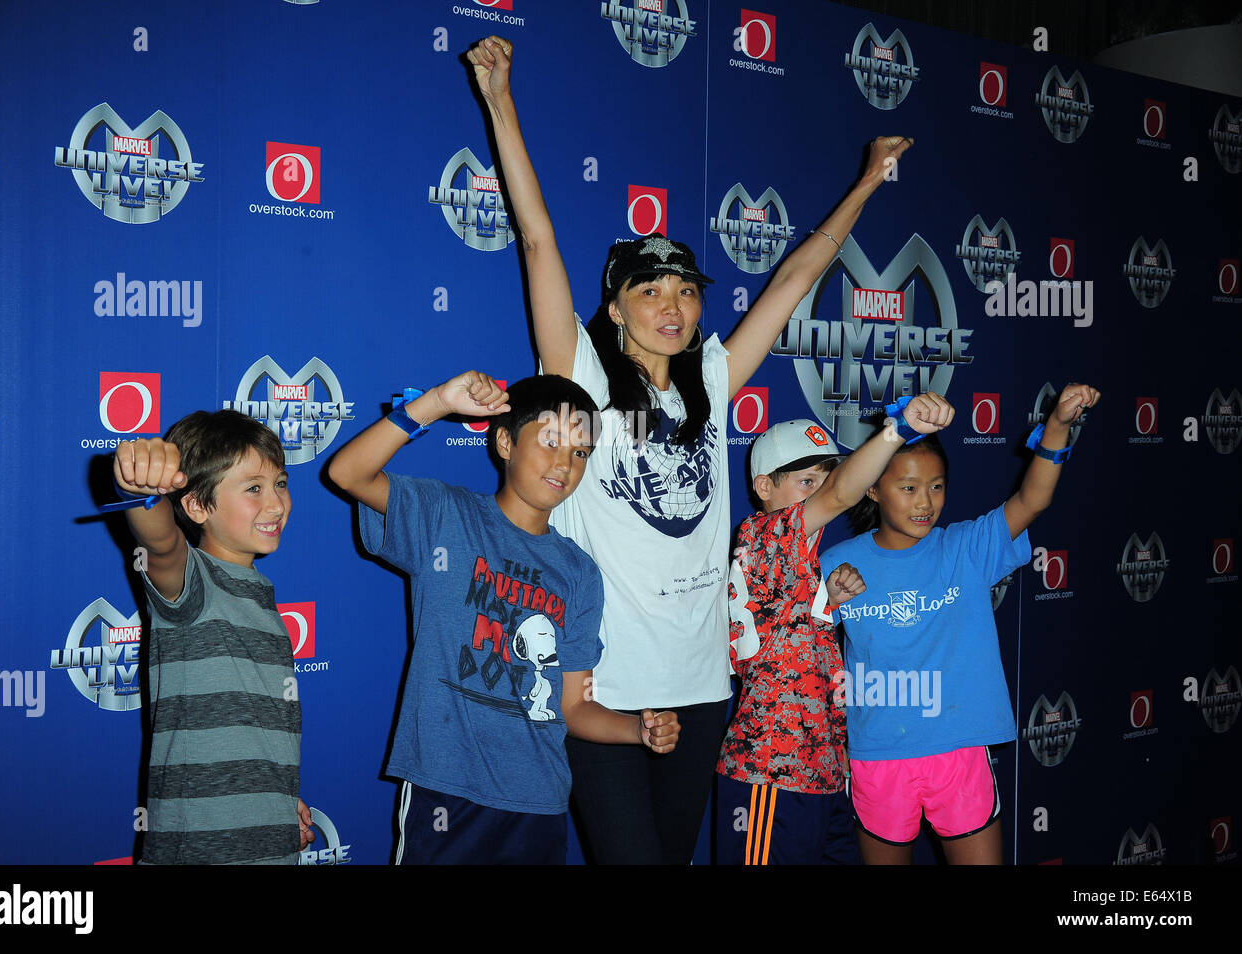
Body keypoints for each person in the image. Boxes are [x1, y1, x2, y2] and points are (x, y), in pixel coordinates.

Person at [466, 34, 912, 863]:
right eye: (650, 289)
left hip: (705, 687)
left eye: (685, 292)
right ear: (616, 305)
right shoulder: (581, 374)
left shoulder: (712, 372)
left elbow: (793, 280)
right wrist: (499, 101)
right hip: (606, 685)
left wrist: (867, 182)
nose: (671, 305)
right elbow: (537, 241)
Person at [327, 370, 680, 864]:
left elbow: (572, 705)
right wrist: (437, 402)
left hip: (538, 802)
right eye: (551, 441)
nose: (564, 463)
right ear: (504, 442)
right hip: (446, 791)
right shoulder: (446, 516)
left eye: (579, 452)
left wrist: (635, 730)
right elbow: (348, 473)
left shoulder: (579, 573)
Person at [819, 383, 1100, 864]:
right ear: (871, 487)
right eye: (907, 488)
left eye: (936, 486)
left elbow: (1031, 501)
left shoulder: (966, 548)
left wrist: (1057, 426)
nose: (924, 502)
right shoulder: (834, 562)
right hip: (877, 753)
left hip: (959, 750)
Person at [717, 396, 953, 865]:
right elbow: (843, 494)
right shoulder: (762, 533)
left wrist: (827, 598)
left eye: (824, 479)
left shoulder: (799, 566)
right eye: (807, 482)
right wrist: (898, 428)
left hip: (823, 775)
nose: (820, 492)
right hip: (772, 773)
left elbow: (782, 630)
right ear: (764, 486)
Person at [112, 410, 313, 864]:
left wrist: (276, 804)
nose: (277, 504)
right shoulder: (193, 582)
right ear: (197, 506)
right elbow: (160, 543)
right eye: (253, 488)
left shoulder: (260, 594)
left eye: (280, 483)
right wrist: (139, 491)